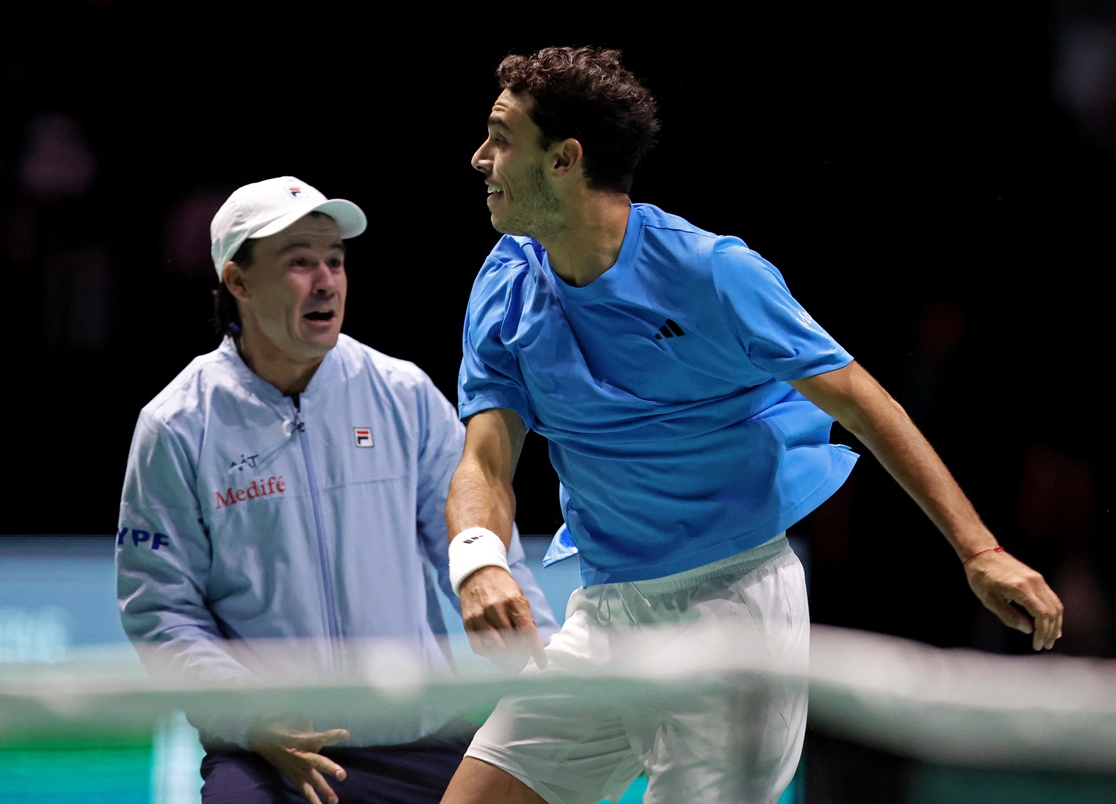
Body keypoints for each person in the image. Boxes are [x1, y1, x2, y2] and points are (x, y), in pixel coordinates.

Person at [439, 46, 1065, 804]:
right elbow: (485, 460)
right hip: (604, 615)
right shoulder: (506, 280)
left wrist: (980, 550)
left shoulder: (712, 272)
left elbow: (863, 402)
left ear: (566, 159)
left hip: (732, 615)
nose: (481, 158)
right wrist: (478, 557)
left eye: (503, 137)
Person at [114, 175, 560, 804]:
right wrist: (251, 719)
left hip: (424, 738)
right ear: (238, 283)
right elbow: (161, 609)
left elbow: (486, 554)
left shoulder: (401, 395)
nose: (326, 280)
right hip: (275, 754)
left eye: (335, 260)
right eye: (299, 263)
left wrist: (551, 691)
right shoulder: (179, 424)